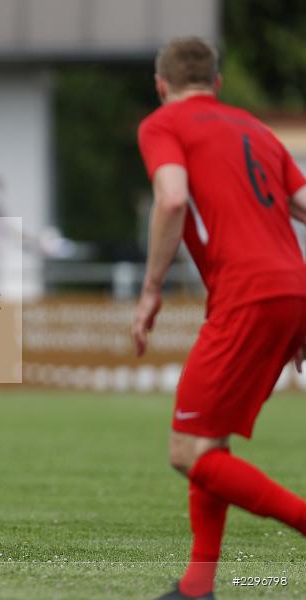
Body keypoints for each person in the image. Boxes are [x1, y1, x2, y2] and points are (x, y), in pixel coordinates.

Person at [134, 37, 306, 599]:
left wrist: (152, 288)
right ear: (219, 83)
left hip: (246, 293)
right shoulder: (255, 129)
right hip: (290, 289)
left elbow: (173, 199)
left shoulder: (164, 123)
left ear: (162, 87)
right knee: (210, 439)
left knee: (187, 451)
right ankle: (197, 585)